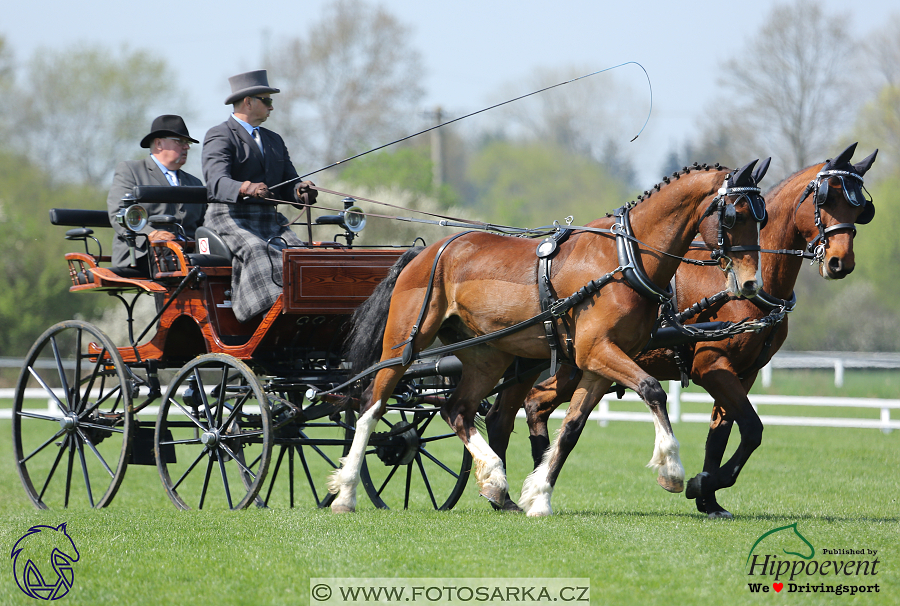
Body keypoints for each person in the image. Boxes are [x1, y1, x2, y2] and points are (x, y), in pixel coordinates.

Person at [202, 69, 317, 322]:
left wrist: (300, 192)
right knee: (257, 250)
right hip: (229, 217)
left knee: (300, 254)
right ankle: (269, 316)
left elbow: (289, 184)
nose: (272, 107)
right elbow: (215, 182)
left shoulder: (274, 140)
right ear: (248, 102)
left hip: (267, 219)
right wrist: (246, 187)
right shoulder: (220, 135)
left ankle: (304, 313)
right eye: (268, 101)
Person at [106, 115, 204, 274]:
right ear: (159, 143)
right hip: (143, 252)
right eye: (180, 141)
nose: (187, 147)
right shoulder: (131, 171)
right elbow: (119, 213)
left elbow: (204, 223)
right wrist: (151, 233)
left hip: (187, 253)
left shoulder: (195, 183)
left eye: (188, 143)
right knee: (174, 262)